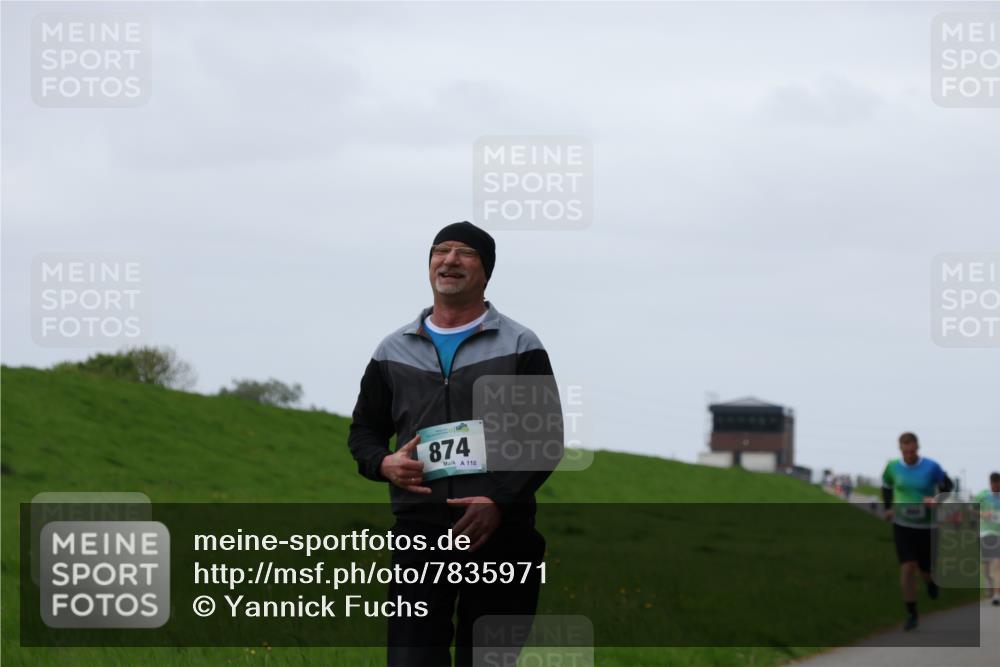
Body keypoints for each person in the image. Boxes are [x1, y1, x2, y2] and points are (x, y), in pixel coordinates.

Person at [348, 221, 563, 666]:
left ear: (486, 272)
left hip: (502, 532)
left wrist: (498, 501)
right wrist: (384, 463)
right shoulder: (393, 349)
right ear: (429, 266)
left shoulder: (520, 344)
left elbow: (546, 437)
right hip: (419, 532)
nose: (449, 260)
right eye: (440, 251)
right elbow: (364, 432)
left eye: (465, 253)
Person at [881, 432, 954, 631]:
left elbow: (949, 486)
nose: (910, 455)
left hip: (927, 526)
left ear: (918, 448)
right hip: (903, 524)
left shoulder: (931, 467)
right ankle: (911, 613)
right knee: (907, 567)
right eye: (906, 452)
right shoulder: (893, 467)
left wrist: (936, 500)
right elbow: (886, 485)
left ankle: (931, 583)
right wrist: (888, 507)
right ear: (900, 450)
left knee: (925, 570)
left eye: (913, 451)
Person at [975, 472, 1000, 606]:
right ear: (990, 483)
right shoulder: (983, 495)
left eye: (998, 484)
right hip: (985, 533)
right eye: (993, 484)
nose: (995, 487)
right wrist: (983, 513)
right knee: (987, 564)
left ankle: (996, 595)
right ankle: (989, 583)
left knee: (997, 563)